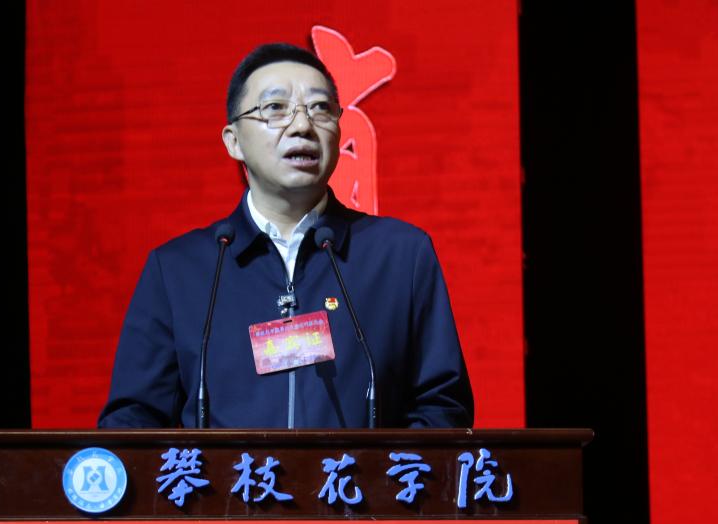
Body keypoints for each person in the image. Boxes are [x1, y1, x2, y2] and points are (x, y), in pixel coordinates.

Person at [98, 43, 472, 429]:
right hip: (234, 473)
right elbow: (133, 421)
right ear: (233, 141)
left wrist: (376, 469)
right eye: (275, 108)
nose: (302, 126)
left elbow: (442, 407)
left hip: (353, 473)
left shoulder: (400, 256)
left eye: (320, 108)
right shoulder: (179, 270)